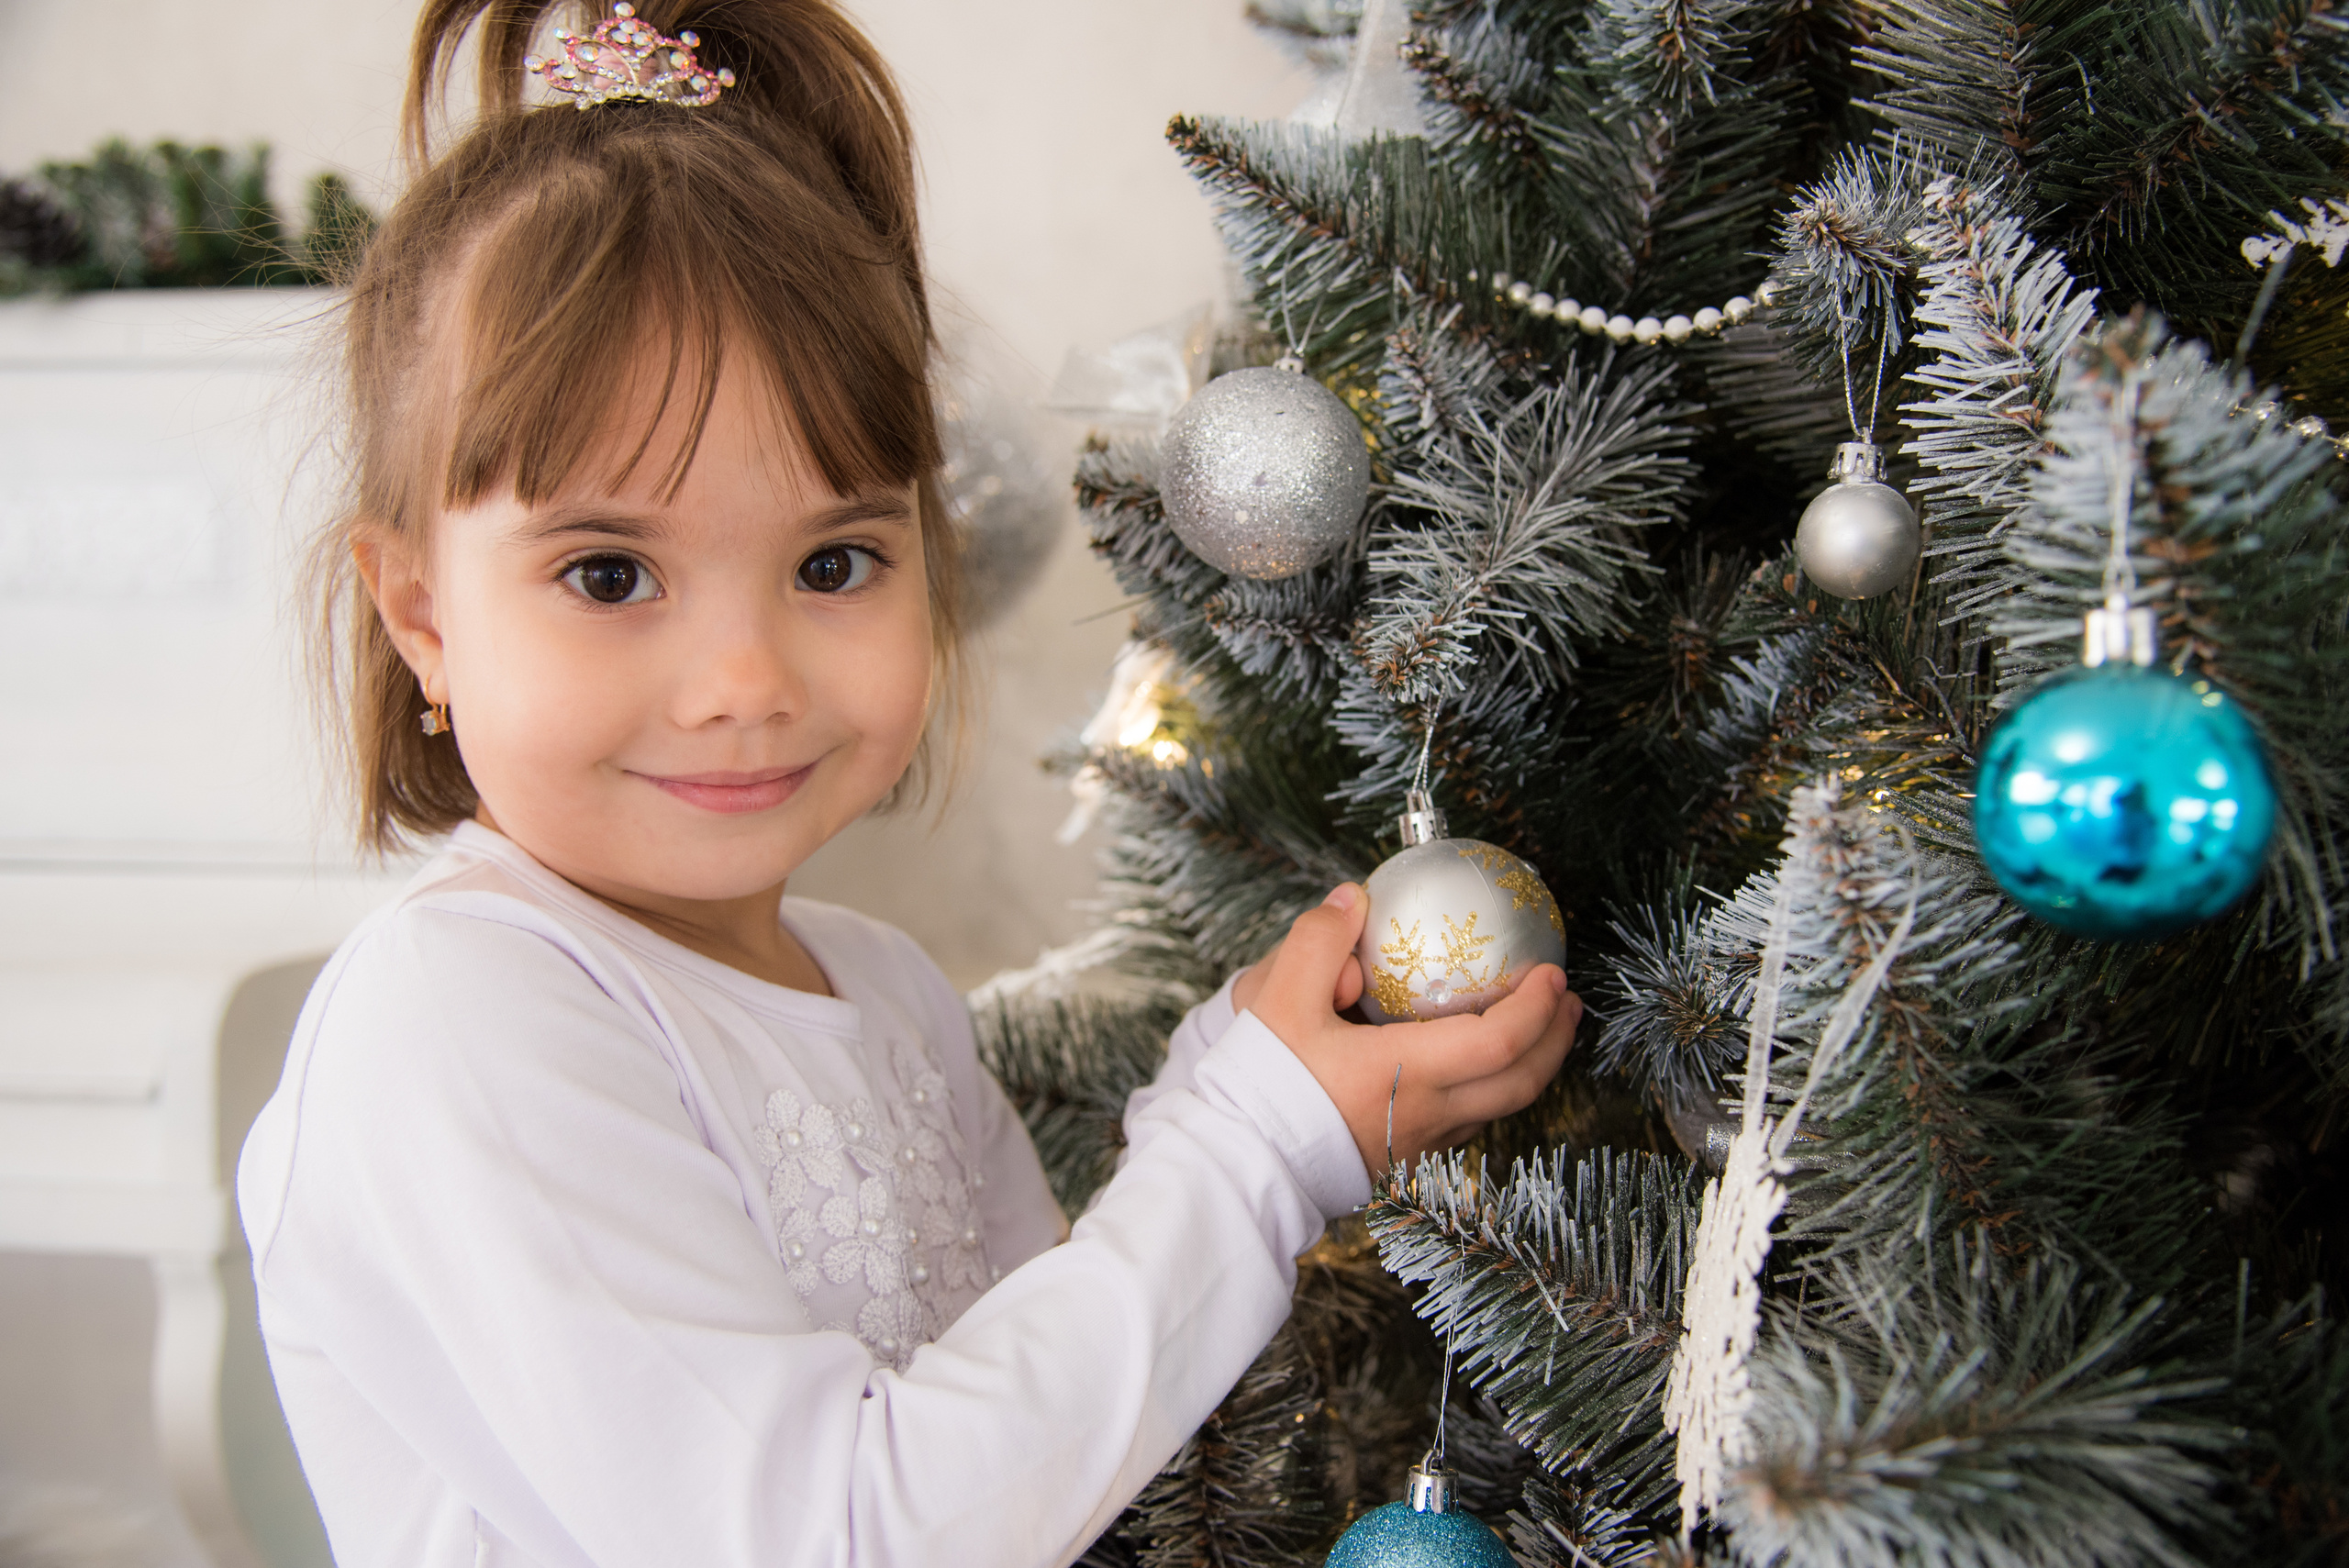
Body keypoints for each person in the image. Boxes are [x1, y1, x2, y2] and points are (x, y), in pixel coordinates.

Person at [235, 4, 1584, 1564]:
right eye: (609, 571)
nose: (745, 677)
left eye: (834, 560)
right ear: (420, 615)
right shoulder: (459, 1016)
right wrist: (1251, 1146)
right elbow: (847, 1535)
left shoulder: (879, 986)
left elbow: (1037, 1440)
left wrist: (1238, 1073)